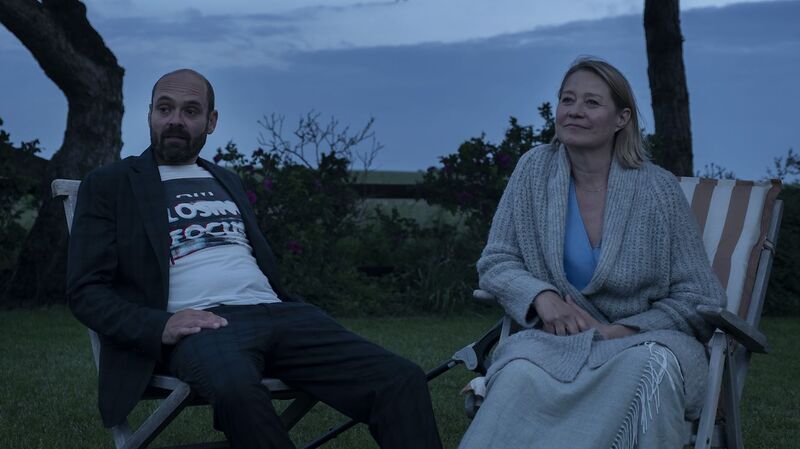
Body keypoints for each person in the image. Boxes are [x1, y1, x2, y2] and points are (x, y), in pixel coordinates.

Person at [66, 68, 443, 449]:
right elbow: (85, 291)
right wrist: (160, 325)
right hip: (203, 326)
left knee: (401, 378)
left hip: (281, 314)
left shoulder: (226, 180)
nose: (175, 120)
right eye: (165, 109)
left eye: (191, 111)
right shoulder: (112, 183)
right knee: (238, 391)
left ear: (211, 121)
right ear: (150, 114)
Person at [458, 57, 726, 449]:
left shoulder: (659, 190)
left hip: (643, 342)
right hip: (552, 342)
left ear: (621, 118)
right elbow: (497, 260)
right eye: (567, 100)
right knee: (518, 375)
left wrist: (619, 331)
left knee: (646, 371)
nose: (574, 111)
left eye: (591, 102)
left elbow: (700, 296)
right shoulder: (533, 171)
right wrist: (541, 296)